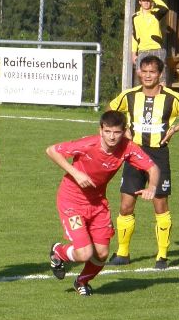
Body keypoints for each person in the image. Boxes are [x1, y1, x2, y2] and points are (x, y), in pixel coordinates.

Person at [48, 111, 159, 296]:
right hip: (72, 202)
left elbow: (152, 168)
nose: (112, 137)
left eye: (116, 132)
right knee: (84, 253)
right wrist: (76, 173)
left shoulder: (128, 148)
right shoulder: (88, 144)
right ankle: (58, 252)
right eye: (107, 131)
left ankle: (82, 281)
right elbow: (52, 150)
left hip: (98, 204)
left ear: (124, 131)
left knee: (101, 253)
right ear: (100, 130)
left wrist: (152, 186)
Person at [107, 55, 179, 269]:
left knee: (160, 205)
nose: (148, 76)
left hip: (159, 155)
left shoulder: (172, 98)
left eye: (152, 72)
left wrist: (176, 129)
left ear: (160, 74)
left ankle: (162, 256)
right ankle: (122, 253)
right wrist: (124, 130)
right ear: (139, 72)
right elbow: (110, 111)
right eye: (144, 71)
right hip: (134, 153)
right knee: (126, 204)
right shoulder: (129, 96)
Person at [131, 0, 169, 82]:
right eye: (144, 0)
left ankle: (161, 91)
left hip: (157, 49)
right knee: (140, 77)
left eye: (148, 0)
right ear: (140, 2)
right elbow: (135, 35)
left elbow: (165, 8)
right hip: (142, 50)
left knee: (160, 77)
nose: (146, 2)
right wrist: (133, 54)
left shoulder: (155, 13)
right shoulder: (135, 17)